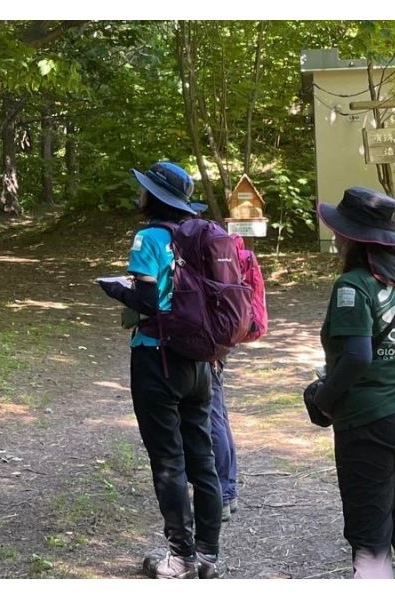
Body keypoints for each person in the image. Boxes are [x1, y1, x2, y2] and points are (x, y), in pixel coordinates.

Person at [303, 187, 395, 579]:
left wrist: (323, 401)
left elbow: (358, 357)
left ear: (353, 238)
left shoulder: (353, 285)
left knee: (370, 540)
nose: (337, 236)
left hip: (370, 426)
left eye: (341, 230)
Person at [99, 161, 223, 579]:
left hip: (157, 357)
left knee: (168, 461)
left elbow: (150, 304)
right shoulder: (201, 236)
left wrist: (115, 288)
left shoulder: (148, 237)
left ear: (154, 196)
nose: (140, 193)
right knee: (202, 457)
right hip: (201, 361)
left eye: (144, 189)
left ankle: (180, 558)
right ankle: (207, 554)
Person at [209, 360, 239, 522]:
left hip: (206, 360)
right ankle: (228, 493)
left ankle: (221, 498)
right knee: (219, 420)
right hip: (214, 359)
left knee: (214, 425)